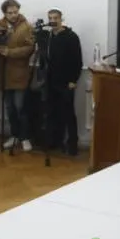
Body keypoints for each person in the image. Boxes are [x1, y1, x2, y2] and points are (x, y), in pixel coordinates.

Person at [0, 0, 35, 152]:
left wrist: (10, 52)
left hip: (20, 73)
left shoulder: (26, 27)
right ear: (4, 13)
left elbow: (29, 48)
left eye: (15, 12)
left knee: (21, 107)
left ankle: (25, 137)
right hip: (2, 73)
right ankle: (14, 135)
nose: (13, 15)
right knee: (10, 108)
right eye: (10, 13)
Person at [42, 9, 82, 156]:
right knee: (52, 112)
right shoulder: (48, 37)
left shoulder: (71, 37)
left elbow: (77, 60)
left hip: (66, 82)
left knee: (68, 114)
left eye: (55, 18)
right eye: (50, 18)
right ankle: (54, 142)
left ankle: (72, 145)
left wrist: (73, 80)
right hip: (51, 81)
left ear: (61, 19)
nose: (53, 20)